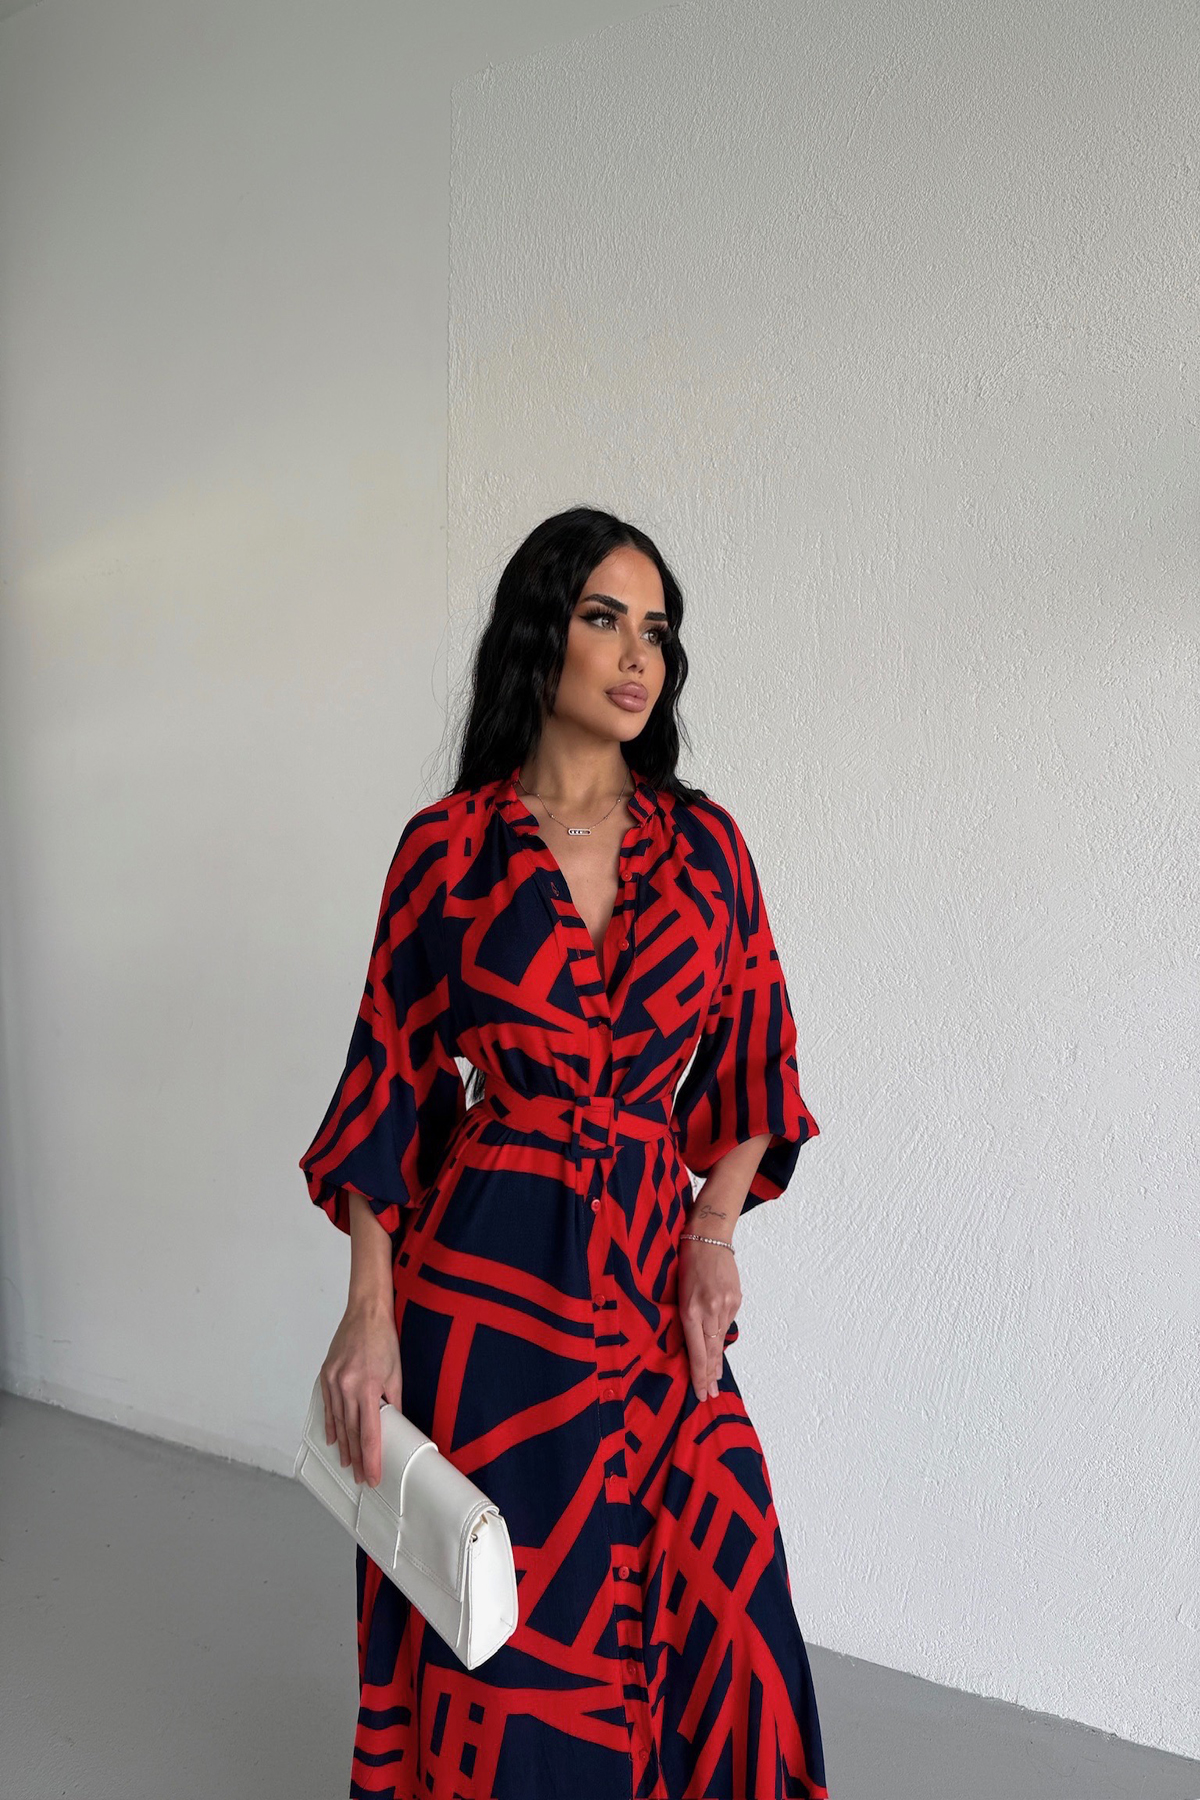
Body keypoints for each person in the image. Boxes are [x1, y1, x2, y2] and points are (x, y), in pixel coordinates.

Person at [299, 506, 828, 1799]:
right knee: (511, 1613)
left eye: (658, 630)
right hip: (490, 1280)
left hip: (646, 1269)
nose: (640, 655)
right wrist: (368, 1313)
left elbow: (758, 1054)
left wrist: (714, 1235)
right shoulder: (446, 852)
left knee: (727, 1595)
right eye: (605, 619)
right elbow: (387, 1084)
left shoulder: (706, 848)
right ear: (541, 636)